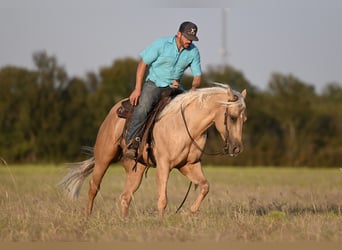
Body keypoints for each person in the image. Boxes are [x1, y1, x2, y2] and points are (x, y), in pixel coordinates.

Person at [125, 21, 202, 159]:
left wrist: (193, 89)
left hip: (175, 88)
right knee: (143, 107)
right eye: (187, 38)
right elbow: (143, 64)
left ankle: (187, 150)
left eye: (192, 39)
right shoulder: (161, 44)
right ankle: (132, 143)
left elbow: (197, 76)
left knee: (191, 111)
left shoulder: (194, 52)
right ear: (179, 34)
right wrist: (137, 89)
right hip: (154, 83)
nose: (189, 42)